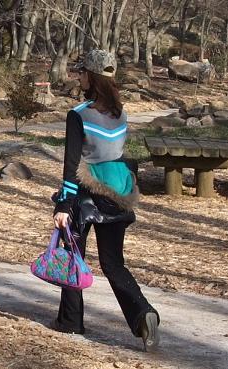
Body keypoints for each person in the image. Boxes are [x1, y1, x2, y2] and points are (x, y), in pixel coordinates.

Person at [51, 49, 160, 352]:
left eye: (82, 71)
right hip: (119, 191)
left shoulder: (79, 114)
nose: (79, 76)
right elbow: (114, 154)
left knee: (74, 256)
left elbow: (72, 164)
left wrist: (63, 205)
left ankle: (71, 321)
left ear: (92, 76)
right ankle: (143, 313)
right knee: (113, 263)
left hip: (86, 194)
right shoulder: (121, 113)